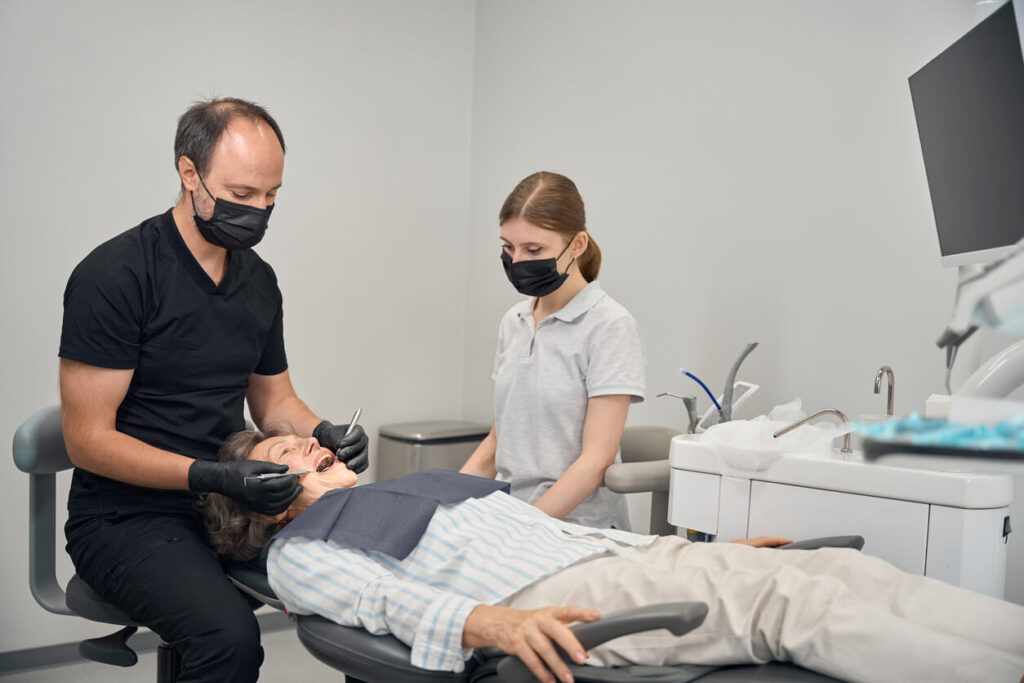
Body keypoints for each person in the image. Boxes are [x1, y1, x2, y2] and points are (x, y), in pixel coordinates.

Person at [204, 428, 1024, 683]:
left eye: (307, 440)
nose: (308, 443)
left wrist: (708, 547)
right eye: (283, 450)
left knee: (841, 571)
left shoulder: (421, 486)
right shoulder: (299, 550)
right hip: (558, 595)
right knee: (797, 610)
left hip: (613, 555)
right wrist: (491, 623)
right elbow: (382, 603)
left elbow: (568, 531)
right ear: (257, 499)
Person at [58, 97, 369, 683]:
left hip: (228, 502)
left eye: (271, 197)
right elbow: (86, 441)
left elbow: (275, 403)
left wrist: (324, 432)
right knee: (227, 641)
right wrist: (209, 475)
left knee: (367, 597)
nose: (258, 212)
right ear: (189, 172)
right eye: (242, 195)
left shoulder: (257, 280)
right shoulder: (116, 276)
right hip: (124, 517)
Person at [461, 171, 645, 530]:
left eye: (534, 250)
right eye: (508, 247)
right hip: (510, 518)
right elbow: (497, 442)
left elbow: (595, 461)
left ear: (577, 245)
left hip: (577, 530)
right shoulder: (513, 321)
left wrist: (524, 528)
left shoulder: (608, 325)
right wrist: (443, 502)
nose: (517, 262)